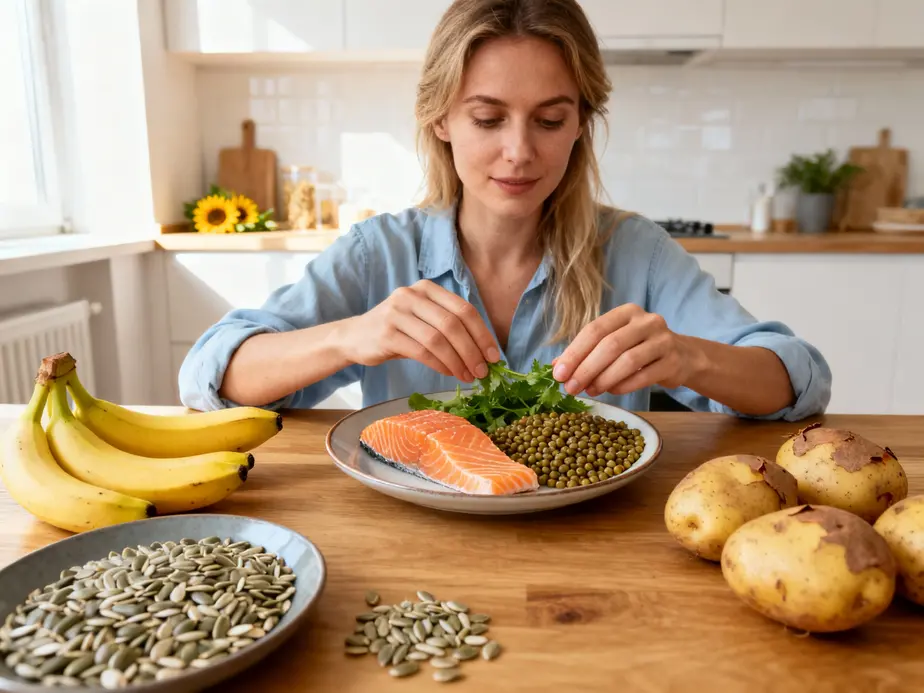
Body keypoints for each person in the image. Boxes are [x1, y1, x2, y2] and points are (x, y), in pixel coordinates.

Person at [179, 0, 832, 422]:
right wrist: (351, 335)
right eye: (488, 118)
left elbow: (797, 375)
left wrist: (688, 359)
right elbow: (211, 374)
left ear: (581, 124)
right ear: (440, 119)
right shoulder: (380, 253)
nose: (519, 152)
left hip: (595, 545)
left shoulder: (633, 251)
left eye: (550, 119)